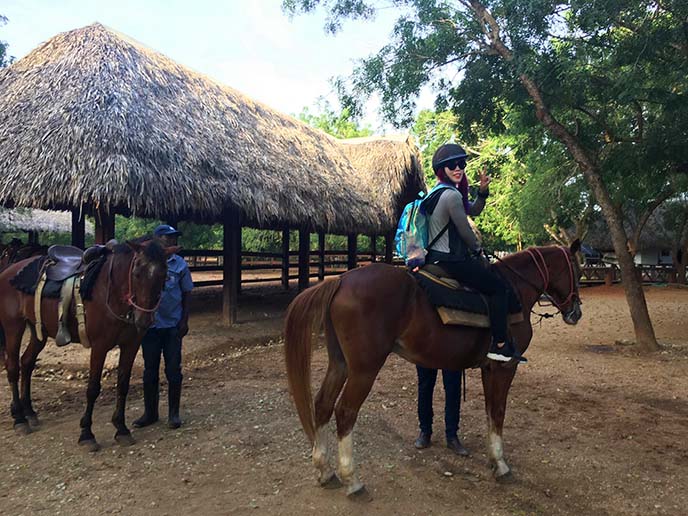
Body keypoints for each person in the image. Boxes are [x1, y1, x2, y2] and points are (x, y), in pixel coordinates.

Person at [423, 143, 525, 363]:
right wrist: (478, 249)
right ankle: (499, 344)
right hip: (451, 260)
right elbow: (465, 231)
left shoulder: (436, 193)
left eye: (461, 164)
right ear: (442, 170)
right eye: (452, 165)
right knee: (498, 288)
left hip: (434, 257)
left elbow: (474, 210)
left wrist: (483, 190)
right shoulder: (450, 196)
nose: (458, 168)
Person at [133, 224, 193, 429]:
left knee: (173, 370)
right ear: (157, 240)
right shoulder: (146, 264)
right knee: (150, 370)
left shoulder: (180, 266)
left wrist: (184, 320)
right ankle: (150, 413)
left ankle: (174, 414)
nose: (172, 241)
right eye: (168, 238)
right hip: (151, 326)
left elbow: (186, 293)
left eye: (174, 238)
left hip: (172, 325)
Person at [414, 366, 468, 455]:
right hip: (427, 353)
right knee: (425, 386)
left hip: (451, 355)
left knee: (453, 389)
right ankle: (425, 431)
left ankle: (452, 435)